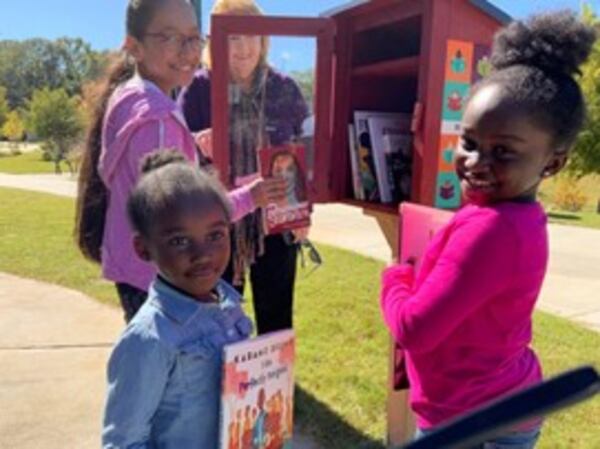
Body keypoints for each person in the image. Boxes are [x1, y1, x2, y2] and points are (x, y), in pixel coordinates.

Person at [380, 11, 595, 448]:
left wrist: (395, 278)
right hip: (502, 404)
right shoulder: (518, 216)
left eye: (504, 151)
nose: (477, 163)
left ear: (552, 163)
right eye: (470, 142)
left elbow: (414, 329)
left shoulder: (492, 229)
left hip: (471, 423)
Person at [74, 0, 285, 322]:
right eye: (169, 37)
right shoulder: (159, 121)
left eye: (193, 37)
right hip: (163, 281)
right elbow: (186, 220)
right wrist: (252, 196)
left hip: (132, 268)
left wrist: (190, 155)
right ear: (135, 46)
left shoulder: (128, 97)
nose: (187, 51)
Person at [102, 150, 254, 449]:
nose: (203, 255)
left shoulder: (228, 306)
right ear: (143, 249)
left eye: (215, 235)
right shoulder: (148, 340)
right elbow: (123, 443)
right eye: (179, 241)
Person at [178, 0, 310, 334]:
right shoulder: (199, 89)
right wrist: (195, 142)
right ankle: (222, 383)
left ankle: (274, 383)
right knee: (219, 317)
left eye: (252, 36)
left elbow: (305, 153)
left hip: (276, 219)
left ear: (264, 40)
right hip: (220, 222)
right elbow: (174, 157)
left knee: (276, 313)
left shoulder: (285, 88)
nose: (244, 48)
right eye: (233, 38)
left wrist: (303, 210)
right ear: (216, 41)